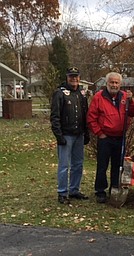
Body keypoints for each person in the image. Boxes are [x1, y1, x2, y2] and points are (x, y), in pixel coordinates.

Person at [87, 72, 134, 204]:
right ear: (107, 83)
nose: (114, 85)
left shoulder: (125, 97)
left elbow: (132, 113)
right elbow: (91, 118)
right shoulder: (99, 97)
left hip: (120, 138)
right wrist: (99, 133)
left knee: (117, 165)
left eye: (116, 83)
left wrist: (131, 101)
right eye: (112, 82)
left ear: (120, 84)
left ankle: (114, 188)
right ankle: (100, 191)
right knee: (102, 165)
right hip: (105, 137)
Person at [50, 66, 90, 204]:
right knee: (64, 165)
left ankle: (74, 190)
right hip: (66, 135)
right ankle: (62, 192)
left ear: (79, 78)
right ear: (67, 77)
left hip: (79, 135)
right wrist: (58, 135)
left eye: (76, 76)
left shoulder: (81, 94)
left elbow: (86, 114)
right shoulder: (59, 93)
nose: (74, 79)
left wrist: (87, 132)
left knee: (78, 164)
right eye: (71, 76)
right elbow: (55, 116)